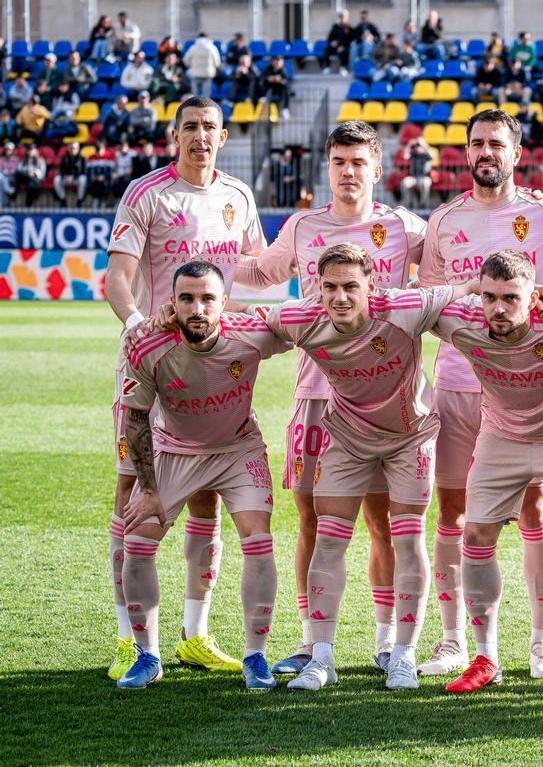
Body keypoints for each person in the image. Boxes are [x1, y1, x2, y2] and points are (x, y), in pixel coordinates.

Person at [234, 121, 429, 682]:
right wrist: (205, 250)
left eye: (357, 162)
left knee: (384, 521)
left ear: (376, 168)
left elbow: (450, 267)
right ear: (329, 167)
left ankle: (388, 641)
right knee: (313, 517)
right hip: (316, 397)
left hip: (386, 398)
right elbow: (259, 272)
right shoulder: (302, 226)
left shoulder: (403, 227)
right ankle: (309, 638)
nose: (348, 172)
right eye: (338, 161)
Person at [415, 109, 543, 678]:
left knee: (535, 508)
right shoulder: (445, 220)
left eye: (496, 143)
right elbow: (425, 296)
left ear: (516, 153)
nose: (485, 152)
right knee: (452, 512)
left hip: (536, 384)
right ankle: (454, 641)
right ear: (466, 152)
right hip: (459, 381)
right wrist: (466, 289)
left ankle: (542, 643)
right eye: (476, 144)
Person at [103, 96, 267, 683]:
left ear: (223, 138)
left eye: (209, 128)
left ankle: (195, 634)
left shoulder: (238, 197)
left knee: (209, 500)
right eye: (190, 127)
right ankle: (129, 637)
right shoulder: (147, 193)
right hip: (155, 368)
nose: (200, 136)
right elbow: (118, 276)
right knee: (132, 496)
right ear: (175, 135)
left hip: (215, 367)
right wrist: (133, 324)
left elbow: (251, 275)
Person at [260, 243, 473, 691]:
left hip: (409, 437)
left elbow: (469, 288)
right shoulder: (301, 318)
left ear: (371, 286)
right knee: (328, 536)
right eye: (330, 287)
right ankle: (321, 658)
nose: (339, 297)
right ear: (316, 288)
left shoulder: (405, 307)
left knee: (407, 536)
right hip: (348, 438)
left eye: (350, 287)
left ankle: (403, 655)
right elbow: (247, 321)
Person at [433, 251, 543, 697]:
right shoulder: (461, 321)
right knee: (474, 535)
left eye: (511, 298)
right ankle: (485, 657)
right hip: (502, 434)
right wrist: (460, 290)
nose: (498, 308)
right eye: (489, 296)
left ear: (532, 297)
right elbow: (399, 303)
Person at [113, 261, 288, 690]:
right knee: (137, 541)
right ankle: (147, 655)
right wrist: (149, 491)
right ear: (171, 302)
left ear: (224, 303)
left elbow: (305, 325)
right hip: (173, 450)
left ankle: (255, 656)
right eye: (187, 298)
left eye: (208, 298)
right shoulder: (147, 344)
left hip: (237, 448)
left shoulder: (251, 334)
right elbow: (135, 419)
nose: (197, 308)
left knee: (258, 540)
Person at [184, 33, 222, 99]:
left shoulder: (193, 47)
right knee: (206, 96)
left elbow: (186, 61)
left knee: (195, 95)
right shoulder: (212, 47)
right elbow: (217, 62)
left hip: (195, 73)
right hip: (207, 74)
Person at [401, 138, 434, 207]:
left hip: (424, 177)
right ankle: (409, 202)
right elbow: (405, 156)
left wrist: (425, 145)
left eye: (419, 146)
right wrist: (409, 144)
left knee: (426, 183)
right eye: (417, 146)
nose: (418, 147)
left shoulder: (426, 155)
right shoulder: (413, 154)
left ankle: (423, 203)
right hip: (413, 177)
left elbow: (433, 156)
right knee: (404, 183)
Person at [324, 10, 353, 75]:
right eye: (340, 16)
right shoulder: (335, 27)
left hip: (344, 47)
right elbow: (329, 38)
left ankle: (343, 68)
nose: (342, 18)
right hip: (335, 47)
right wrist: (332, 42)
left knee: (345, 51)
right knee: (327, 49)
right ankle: (327, 67)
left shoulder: (349, 28)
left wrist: (343, 46)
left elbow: (350, 40)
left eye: (343, 17)